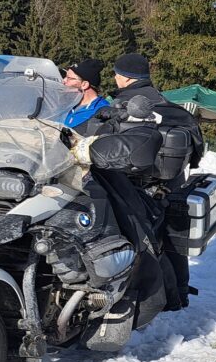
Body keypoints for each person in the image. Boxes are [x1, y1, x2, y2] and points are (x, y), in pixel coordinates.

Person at [93, 53, 205, 310]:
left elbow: (100, 146)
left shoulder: (123, 106)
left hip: (134, 185)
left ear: (125, 78)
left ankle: (157, 299)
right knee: (172, 238)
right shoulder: (170, 106)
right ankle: (180, 293)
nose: (115, 78)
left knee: (146, 241)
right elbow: (197, 145)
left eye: (116, 74)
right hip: (172, 181)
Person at [62, 59, 110, 134]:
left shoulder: (103, 111)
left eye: (69, 78)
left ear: (84, 85)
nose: (64, 81)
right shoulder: (68, 106)